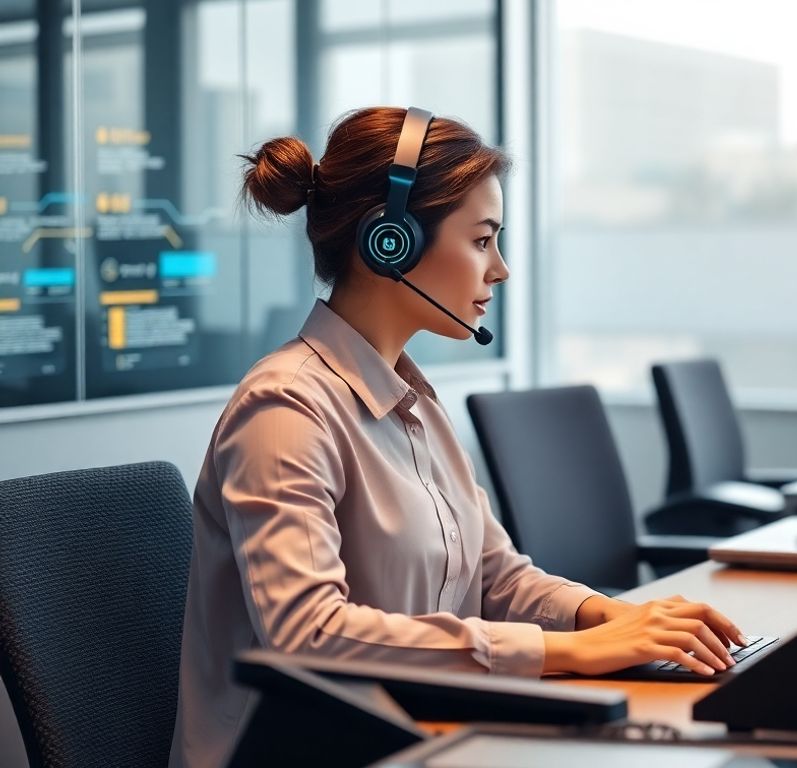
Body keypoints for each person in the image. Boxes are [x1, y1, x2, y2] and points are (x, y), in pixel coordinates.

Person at [169, 106, 746, 767]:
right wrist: (566, 652)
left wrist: (603, 618)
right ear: (391, 242)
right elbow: (310, 632)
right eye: (481, 240)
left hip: (425, 732)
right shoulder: (286, 409)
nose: (498, 269)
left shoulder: (414, 403)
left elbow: (496, 576)